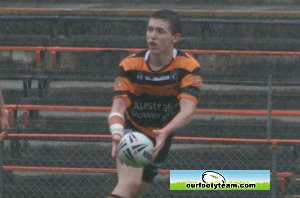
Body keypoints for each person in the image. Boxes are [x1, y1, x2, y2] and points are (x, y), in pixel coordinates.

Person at [107, 9, 203, 198]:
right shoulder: (130, 65)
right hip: (132, 130)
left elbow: (188, 110)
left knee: (135, 192)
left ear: (175, 37)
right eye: (150, 30)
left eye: (160, 31)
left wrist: (165, 132)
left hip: (161, 135)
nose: (152, 36)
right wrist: (117, 133)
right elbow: (118, 106)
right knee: (130, 184)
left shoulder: (188, 67)